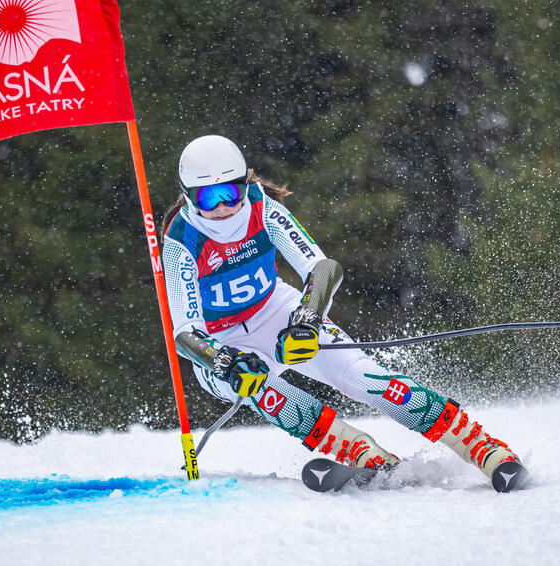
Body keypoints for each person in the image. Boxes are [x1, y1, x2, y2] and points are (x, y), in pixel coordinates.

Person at [160, 135, 528, 492]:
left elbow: (322, 268)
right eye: (209, 197)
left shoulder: (261, 207)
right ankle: (359, 450)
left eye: (231, 192)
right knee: (263, 388)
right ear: (189, 196)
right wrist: (226, 362)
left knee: (362, 377)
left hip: (276, 309)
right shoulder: (181, 240)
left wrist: (307, 320)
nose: (223, 205)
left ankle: (482, 447)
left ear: (244, 183)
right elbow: (185, 333)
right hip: (221, 340)